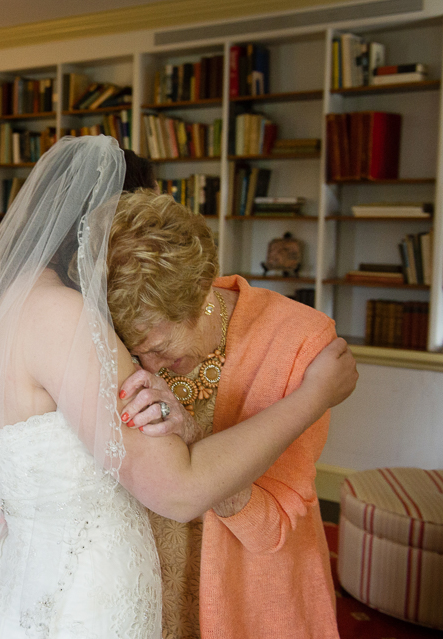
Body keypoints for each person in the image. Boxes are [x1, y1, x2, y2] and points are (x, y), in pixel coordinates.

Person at [0, 135, 358, 639]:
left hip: (35, 580)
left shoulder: (9, 306)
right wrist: (314, 396)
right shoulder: (67, 317)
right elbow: (179, 489)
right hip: (87, 596)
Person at [109, 189, 349, 639]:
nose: (150, 368)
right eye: (136, 354)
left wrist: (194, 436)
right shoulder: (117, 329)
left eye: (159, 349)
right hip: (136, 581)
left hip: (250, 589)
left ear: (199, 296)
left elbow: (270, 529)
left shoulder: (300, 342)